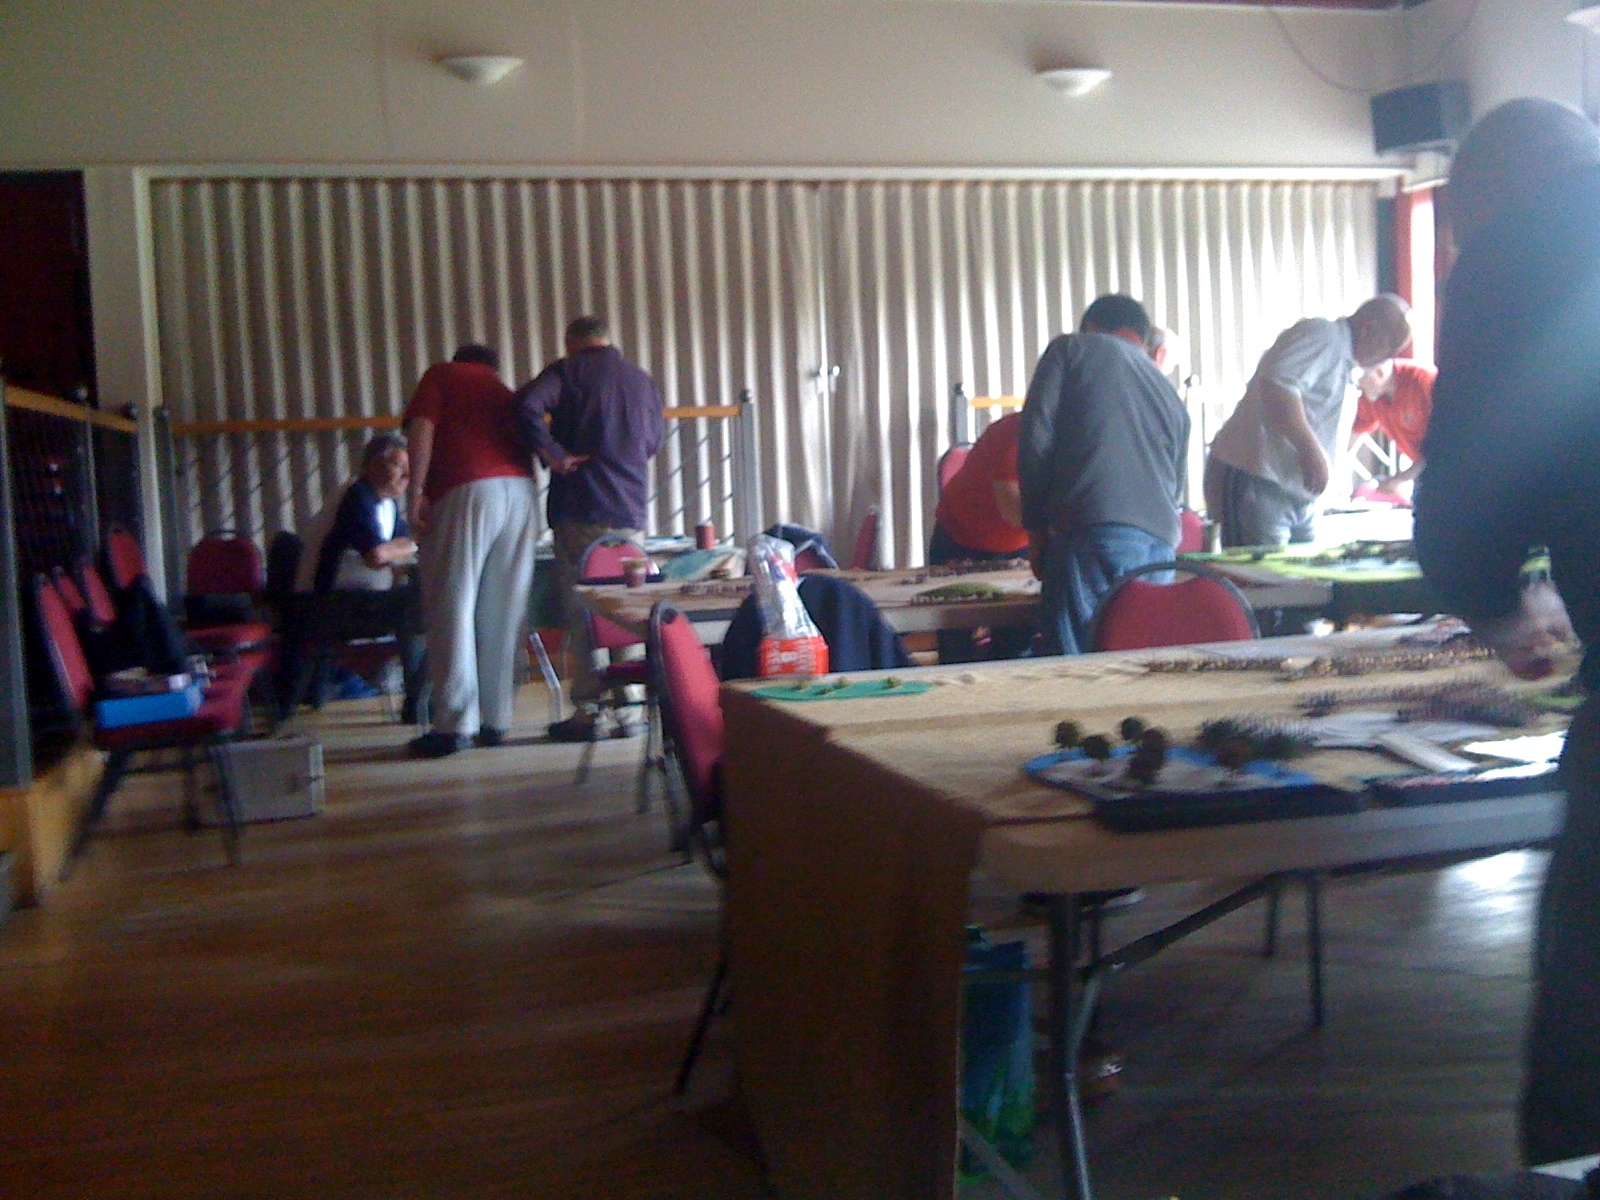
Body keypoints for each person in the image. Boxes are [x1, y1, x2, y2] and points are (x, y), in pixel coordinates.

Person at [1412, 97, 1600, 1166]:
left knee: (1588, 1058)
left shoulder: (1517, 249)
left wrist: (1497, 600)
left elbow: (1467, 500)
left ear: (1477, 205)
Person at [513, 316, 665, 743]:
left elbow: (525, 406)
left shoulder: (567, 372)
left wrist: (553, 453)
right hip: (630, 510)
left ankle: (589, 712)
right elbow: (654, 441)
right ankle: (630, 710)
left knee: (584, 608)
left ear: (571, 343)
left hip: (580, 507)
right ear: (607, 339)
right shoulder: (640, 380)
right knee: (626, 607)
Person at [1018, 293, 1190, 656]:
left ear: (1092, 328)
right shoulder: (1168, 391)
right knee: (1138, 665)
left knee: (1077, 668)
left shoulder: (1071, 349)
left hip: (1095, 535)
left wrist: (1035, 530)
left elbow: (1036, 441)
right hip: (1160, 548)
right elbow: (1175, 485)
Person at [403, 343, 537, 758]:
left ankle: (455, 724)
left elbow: (421, 427)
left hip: (466, 487)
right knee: (505, 611)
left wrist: (415, 490)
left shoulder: (442, 374)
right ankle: (497, 721)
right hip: (522, 491)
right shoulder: (504, 391)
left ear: (460, 360)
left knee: (452, 604)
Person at [1203, 294, 1412, 547]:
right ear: (1368, 329)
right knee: (1259, 570)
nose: (1389, 357)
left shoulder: (1348, 361)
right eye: (1390, 346)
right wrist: (1310, 450)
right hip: (1258, 479)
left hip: (1299, 494)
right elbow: (1277, 386)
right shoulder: (1323, 336)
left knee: (1301, 570)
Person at [279, 433, 427, 722]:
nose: (407, 476)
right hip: (324, 604)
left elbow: (400, 548)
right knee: (416, 607)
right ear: (372, 466)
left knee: (420, 602)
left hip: (353, 599)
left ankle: (419, 701)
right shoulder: (356, 496)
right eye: (398, 466)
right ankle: (419, 704)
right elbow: (378, 555)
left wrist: (406, 546)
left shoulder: (386, 504)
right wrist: (411, 545)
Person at [928, 412, 1031, 662]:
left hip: (1020, 541)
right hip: (961, 538)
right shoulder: (1014, 432)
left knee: (1015, 644)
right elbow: (1011, 507)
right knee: (955, 645)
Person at [1350, 358, 1437, 501]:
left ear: (1379, 373)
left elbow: (1443, 447)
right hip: (1424, 473)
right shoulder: (1372, 394)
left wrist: (1399, 479)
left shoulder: (1423, 381)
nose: (1358, 388)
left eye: (1359, 382)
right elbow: (1353, 435)